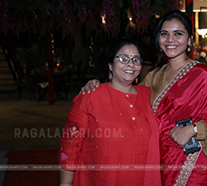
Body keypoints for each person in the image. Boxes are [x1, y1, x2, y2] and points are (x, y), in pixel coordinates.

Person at [81, 10, 207, 186]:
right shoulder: (154, 76)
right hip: (157, 159)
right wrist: (101, 86)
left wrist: (194, 129)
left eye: (178, 34)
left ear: (190, 40)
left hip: (192, 164)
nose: (170, 40)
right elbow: (127, 99)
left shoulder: (203, 76)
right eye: (164, 34)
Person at [59, 39, 161, 186]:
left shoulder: (148, 96)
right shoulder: (90, 97)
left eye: (136, 60)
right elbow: (69, 146)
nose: (130, 64)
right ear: (110, 66)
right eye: (123, 58)